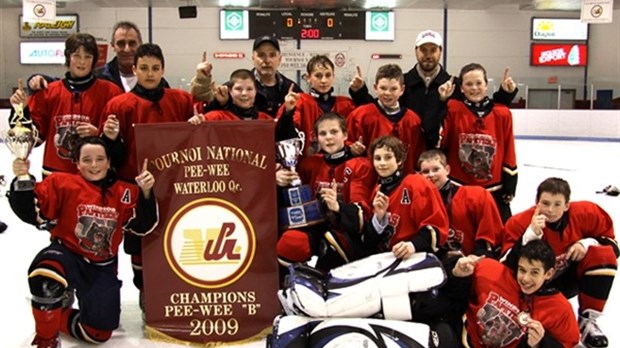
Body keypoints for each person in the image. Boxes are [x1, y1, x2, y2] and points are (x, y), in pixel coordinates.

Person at [7, 136, 158, 348]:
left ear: (109, 162)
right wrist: (22, 178)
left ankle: (53, 313)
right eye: (86, 160)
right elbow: (32, 212)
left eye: (99, 159)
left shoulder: (125, 191)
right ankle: (47, 340)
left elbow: (143, 226)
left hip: (101, 268)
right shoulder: (62, 183)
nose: (94, 165)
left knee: (98, 333)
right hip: (66, 254)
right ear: (77, 163)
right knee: (45, 279)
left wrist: (146, 193)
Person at [101, 43, 195, 304]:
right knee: (138, 243)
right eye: (144, 68)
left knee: (175, 237)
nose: (150, 74)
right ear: (135, 70)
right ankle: (145, 291)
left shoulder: (182, 100)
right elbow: (112, 157)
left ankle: (176, 287)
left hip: (175, 188)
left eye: (155, 68)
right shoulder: (119, 105)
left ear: (163, 68)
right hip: (134, 187)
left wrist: (197, 126)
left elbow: (196, 143)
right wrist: (110, 139)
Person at [349, 29, 517, 150]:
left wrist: (505, 93)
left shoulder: (455, 85)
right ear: (416, 51)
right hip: (408, 150)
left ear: (440, 52)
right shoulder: (403, 83)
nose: (428, 55)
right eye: (423, 50)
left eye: (433, 50)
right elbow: (377, 110)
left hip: (443, 154)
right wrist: (359, 91)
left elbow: (485, 110)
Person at [501, 177, 618, 348]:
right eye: (545, 203)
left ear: (567, 205)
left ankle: (588, 322)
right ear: (536, 202)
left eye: (557, 204)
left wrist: (585, 243)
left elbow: (613, 248)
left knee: (603, 256)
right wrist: (530, 235)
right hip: (529, 284)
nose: (550, 210)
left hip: (565, 279)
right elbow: (504, 267)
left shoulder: (586, 214)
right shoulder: (519, 223)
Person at [9, 33, 123, 177]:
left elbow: (120, 142)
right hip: (54, 176)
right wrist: (21, 109)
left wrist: (99, 134)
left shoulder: (111, 92)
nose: (82, 62)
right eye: (77, 55)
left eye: (87, 56)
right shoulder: (48, 92)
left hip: (94, 176)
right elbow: (33, 138)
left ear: (94, 60)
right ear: (68, 57)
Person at [275, 112, 375, 272]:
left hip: (347, 233)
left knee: (331, 244)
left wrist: (338, 207)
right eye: (323, 133)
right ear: (317, 138)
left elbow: (361, 215)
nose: (328, 137)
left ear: (345, 135)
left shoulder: (360, 165)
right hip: (316, 227)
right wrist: (278, 179)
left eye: (334, 132)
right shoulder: (309, 164)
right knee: (291, 242)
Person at [451, 239, 580, 347]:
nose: (525, 278)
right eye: (522, 270)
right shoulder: (491, 271)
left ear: (549, 273)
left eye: (534, 272)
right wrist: (458, 277)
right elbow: (453, 299)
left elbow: (569, 344)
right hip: (462, 341)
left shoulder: (561, 310)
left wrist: (541, 343)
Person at [438, 62, 518, 223]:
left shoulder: (502, 113)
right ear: (461, 88)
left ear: (486, 85)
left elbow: (509, 149)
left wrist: (510, 183)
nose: (474, 88)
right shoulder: (453, 109)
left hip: (493, 189)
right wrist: (442, 101)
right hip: (459, 186)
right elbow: (440, 141)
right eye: (468, 84)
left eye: (479, 83)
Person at [363, 135, 448, 259]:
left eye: (388, 158)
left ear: (399, 160)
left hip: (416, 258)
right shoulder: (377, 190)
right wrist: (378, 217)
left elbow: (436, 229)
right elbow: (369, 242)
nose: (382, 163)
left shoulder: (416, 183)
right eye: (377, 158)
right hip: (387, 259)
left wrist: (412, 245)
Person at [27, 21, 169, 93]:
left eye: (132, 43)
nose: (127, 49)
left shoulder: (158, 82)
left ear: (140, 44)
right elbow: (69, 83)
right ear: (113, 46)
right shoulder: (99, 76)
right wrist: (39, 79)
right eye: (121, 43)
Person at [418, 149, 503, 257]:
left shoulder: (476, 196)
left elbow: (489, 235)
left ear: (447, 170)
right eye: (425, 172)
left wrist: (475, 257)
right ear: (420, 175)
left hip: (472, 261)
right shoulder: (419, 202)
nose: (431, 175)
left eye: (436, 169)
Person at [190, 35, 301, 117]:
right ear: (253, 58)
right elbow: (205, 109)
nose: (267, 60)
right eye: (261, 55)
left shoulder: (292, 89)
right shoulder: (233, 87)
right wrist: (203, 80)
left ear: (280, 58)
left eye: (272, 55)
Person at [346, 64, 424, 175]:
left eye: (393, 89)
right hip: (368, 180)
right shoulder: (361, 115)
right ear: (375, 88)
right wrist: (352, 149)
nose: (387, 93)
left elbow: (417, 154)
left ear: (402, 90)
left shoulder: (413, 120)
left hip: (402, 182)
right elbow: (345, 142)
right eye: (383, 88)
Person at [277, 55, 357, 155]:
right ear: (308, 78)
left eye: (328, 75)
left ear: (333, 77)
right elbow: (284, 135)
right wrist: (288, 111)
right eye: (318, 76)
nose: (323, 81)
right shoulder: (300, 102)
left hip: (340, 164)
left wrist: (360, 93)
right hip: (308, 165)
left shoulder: (346, 104)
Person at [191, 68, 272, 122]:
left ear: (256, 91)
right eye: (238, 89)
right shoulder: (216, 117)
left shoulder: (267, 120)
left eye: (249, 89)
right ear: (230, 91)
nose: (244, 93)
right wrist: (196, 122)